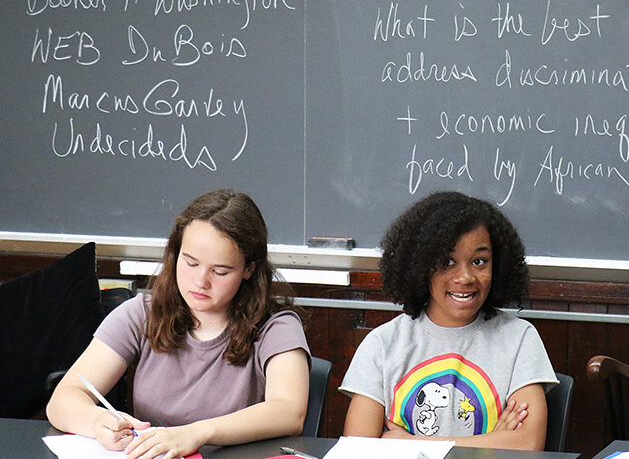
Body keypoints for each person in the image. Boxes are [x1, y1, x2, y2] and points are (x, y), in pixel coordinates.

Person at [46, 189, 310, 459]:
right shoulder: (141, 314)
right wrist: (96, 422)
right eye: (190, 263)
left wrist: (196, 433)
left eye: (220, 271)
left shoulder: (276, 327)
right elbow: (63, 399)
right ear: (175, 253)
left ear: (249, 269)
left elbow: (288, 411)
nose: (200, 282)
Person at [340, 191, 557, 450]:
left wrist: (413, 444)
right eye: (447, 262)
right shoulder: (382, 344)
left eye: (479, 261)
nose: (465, 277)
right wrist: (488, 444)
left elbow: (527, 444)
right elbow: (358, 450)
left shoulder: (519, 338)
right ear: (419, 266)